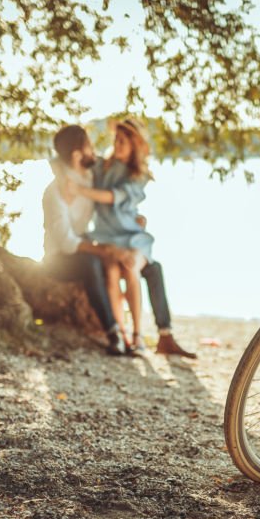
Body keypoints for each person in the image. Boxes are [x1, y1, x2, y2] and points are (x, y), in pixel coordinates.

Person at [92, 118, 197, 358]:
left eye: (122, 141)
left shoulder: (136, 173)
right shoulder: (102, 167)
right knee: (122, 270)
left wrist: (137, 219)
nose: (116, 145)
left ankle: (148, 335)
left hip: (132, 240)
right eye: (115, 140)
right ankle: (125, 334)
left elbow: (118, 197)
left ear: (134, 146)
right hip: (108, 239)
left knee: (144, 267)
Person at [41, 124, 132, 356]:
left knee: (130, 261)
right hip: (57, 259)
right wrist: (102, 250)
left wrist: (132, 218)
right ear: (76, 155)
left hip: (85, 243)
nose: (95, 152)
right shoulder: (54, 193)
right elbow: (66, 243)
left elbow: (114, 193)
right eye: (89, 147)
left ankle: (131, 332)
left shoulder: (90, 177)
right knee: (92, 263)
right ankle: (113, 332)